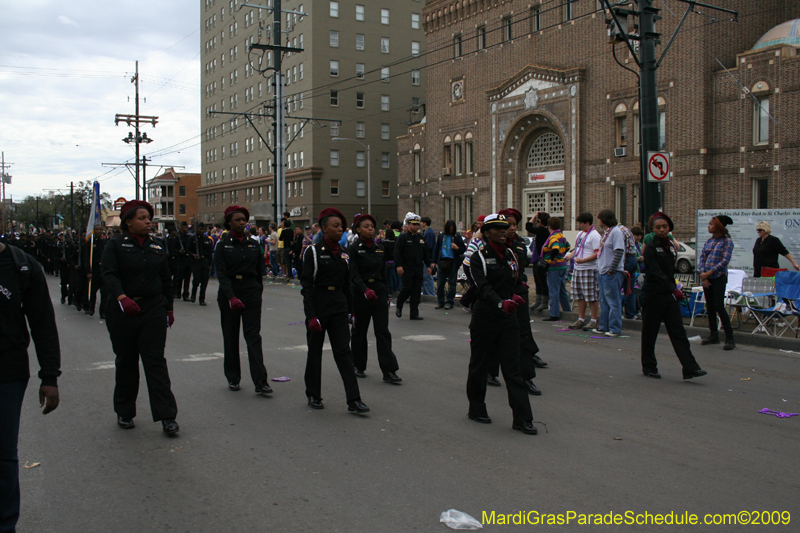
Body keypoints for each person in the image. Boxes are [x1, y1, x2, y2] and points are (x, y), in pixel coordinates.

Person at [101, 200, 179, 435]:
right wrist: (121, 297)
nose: (148, 222)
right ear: (128, 222)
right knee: (126, 361)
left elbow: (166, 279)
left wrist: (168, 308)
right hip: (123, 310)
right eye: (142, 218)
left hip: (153, 309)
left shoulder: (157, 246)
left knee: (155, 362)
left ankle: (167, 416)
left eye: (149, 218)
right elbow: (109, 274)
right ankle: (125, 411)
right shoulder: (115, 245)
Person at [0, 240, 61, 533]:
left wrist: (49, 377)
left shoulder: (21, 266)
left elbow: (43, 323)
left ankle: (5, 524)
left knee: (3, 456)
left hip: (7, 374)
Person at [466, 214, 537, 435]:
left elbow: (515, 281)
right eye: (497, 229)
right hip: (485, 317)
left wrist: (515, 297)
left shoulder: (511, 255)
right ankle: (476, 408)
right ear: (487, 233)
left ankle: (522, 418)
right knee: (479, 365)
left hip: (508, 318)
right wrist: (500, 302)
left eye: (504, 228)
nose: (503, 232)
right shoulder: (478, 257)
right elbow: (481, 286)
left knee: (513, 369)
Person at [300, 208, 369, 413]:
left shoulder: (344, 254)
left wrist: (351, 311)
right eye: (335, 226)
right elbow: (307, 286)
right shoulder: (313, 251)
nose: (341, 229)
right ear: (324, 228)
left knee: (343, 352)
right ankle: (313, 394)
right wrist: (311, 316)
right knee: (315, 352)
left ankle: (354, 399)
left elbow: (347, 285)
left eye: (342, 226)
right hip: (319, 305)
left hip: (338, 305)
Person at [640, 212, 707, 380]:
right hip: (653, 293)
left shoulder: (671, 245)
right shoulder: (650, 247)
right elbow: (655, 272)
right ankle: (649, 366)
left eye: (664, 227)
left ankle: (690, 367)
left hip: (669, 294)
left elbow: (670, 272)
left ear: (669, 228)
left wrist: (675, 289)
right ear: (653, 229)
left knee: (678, 331)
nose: (662, 230)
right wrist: (673, 289)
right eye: (658, 227)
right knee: (650, 332)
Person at [487, 208, 547, 392]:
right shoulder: (493, 246)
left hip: (518, 294)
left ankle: (526, 377)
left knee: (523, 335)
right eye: (508, 225)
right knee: (495, 336)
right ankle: (491, 371)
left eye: (514, 225)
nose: (512, 228)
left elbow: (521, 269)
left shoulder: (520, 244)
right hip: (499, 296)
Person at [214, 205, 272, 394]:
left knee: (253, 337)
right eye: (237, 220)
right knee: (231, 337)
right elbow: (221, 275)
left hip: (251, 292)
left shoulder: (253, 244)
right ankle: (233, 377)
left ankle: (260, 381)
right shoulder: (222, 245)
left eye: (244, 220)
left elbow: (258, 273)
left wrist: (257, 294)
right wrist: (230, 296)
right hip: (230, 294)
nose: (242, 222)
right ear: (229, 222)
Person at [348, 213, 401, 383]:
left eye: (372, 226)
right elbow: (354, 275)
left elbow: (383, 273)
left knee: (383, 331)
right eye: (366, 226)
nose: (370, 229)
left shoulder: (380, 248)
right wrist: (364, 290)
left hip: (378, 290)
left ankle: (389, 370)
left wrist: (385, 294)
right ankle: (358, 365)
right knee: (359, 331)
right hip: (361, 292)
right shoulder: (354, 248)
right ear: (358, 229)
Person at [698, 215, 735, 350]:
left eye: (711, 224)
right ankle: (713, 335)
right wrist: (704, 276)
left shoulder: (727, 242)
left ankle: (729, 337)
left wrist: (709, 273)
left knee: (719, 305)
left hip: (718, 277)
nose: (709, 226)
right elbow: (702, 258)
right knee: (710, 306)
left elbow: (724, 261)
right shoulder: (709, 241)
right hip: (707, 278)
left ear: (718, 226)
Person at [565, 212, 600, 331]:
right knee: (579, 295)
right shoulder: (580, 234)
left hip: (589, 268)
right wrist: (571, 255)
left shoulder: (595, 236)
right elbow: (578, 249)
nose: (579, 225)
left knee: (591, 296)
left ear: (588, 223)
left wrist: (584, 260)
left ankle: (594, 320)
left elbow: (597, 253)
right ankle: (581, 319)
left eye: (581, 223)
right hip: (578, 268)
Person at [394, 213, 433, 320]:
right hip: (407, 268)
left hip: (418, 268)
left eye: (417, 225)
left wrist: (429, 265)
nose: (416, 227)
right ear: (409, 225)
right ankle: (399, 305)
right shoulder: (403, 237)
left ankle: (414, 313)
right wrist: (399, 266)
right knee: (407, 289)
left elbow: (426, 254)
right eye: (413, 224)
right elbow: (397, 253)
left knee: (416, 291)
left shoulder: (421, 238)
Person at [595, 209, 626, 337]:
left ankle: (615, 328)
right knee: (603, 300)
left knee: (613, 301)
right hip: (602, 271)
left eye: (599, 218)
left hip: (611, 272)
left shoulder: (616, 232)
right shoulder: (606, 233)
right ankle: (604, 326)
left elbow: (618, 251)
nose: (598, 221)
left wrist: (612, 269)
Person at [541, 217, 571, 322]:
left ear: (549, 226)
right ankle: (567, 311)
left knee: (553, 290)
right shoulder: (561, 236)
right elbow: (568, 246)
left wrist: (552, 258)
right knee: (562, 290)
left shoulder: (553, 237)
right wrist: (562, 255)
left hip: (554, 267)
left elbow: (555, 247)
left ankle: (554, 313)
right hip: (562, 265)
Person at [432, 220, 466, 310]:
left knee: (452, 283)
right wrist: (434, 261)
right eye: (449, 229)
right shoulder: (441, 236)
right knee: (440, 283)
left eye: (452, 229)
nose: (451, 231)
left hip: (452, 262)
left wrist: (457, 248)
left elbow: (463, 249)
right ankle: (440, 301)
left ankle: (450, 301)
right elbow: (437, 248)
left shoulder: (457, 237)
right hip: (442, 261)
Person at [526, 212, 551, 312]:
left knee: (542, 280)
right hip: (537, 258)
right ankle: (539, 300)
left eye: (538, 221)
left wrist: (533, 217)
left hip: (541, 259)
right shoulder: (542, 231)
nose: (536, 223)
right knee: (537, 280)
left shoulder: (543, 230)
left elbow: (529, 227)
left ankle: (544, 302)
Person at [82, 224, 106, 317]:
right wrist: (88, 271)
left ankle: (103, 312)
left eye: (100, 229)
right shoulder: (90, 243)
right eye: (97, 229)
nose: (99, 231)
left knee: (104, 292)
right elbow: (86, 258)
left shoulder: (105, 242)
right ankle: (91, 308)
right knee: (92, 291)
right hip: (94, 269)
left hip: (103, 269)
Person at [188, 222, 214, 305]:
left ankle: (202, 299)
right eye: (200, 229)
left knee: (204, 281)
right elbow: (188, 250)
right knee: (196, 279)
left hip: (204, 261)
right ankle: (193, 294)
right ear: (197, 229)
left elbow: (209, 252)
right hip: (196, 262)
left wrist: (210, 264)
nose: (201, 230)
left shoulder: (207, 239)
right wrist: (193, 255)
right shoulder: (193, 238)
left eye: (203, 229)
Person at [174, 221, 192, 301]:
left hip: (188, 260)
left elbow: (191, 248)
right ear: (181, 228)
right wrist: (179, 251)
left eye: (187, 228)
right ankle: (177, 293)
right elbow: (173, 248)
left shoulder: (189, 237)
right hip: (180, 259)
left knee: (187, 278)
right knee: (180, 277)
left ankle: (186, 294)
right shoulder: (178, 238)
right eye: (184, 227)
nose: (186, 229)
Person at [420, 217, 436, 295]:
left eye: (421, 222)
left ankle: (430, 294)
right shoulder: (427, 232)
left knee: (427, 277)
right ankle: (427, 293)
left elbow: (428, 246)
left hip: (428, 258)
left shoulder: (429, 233)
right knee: (425, 277)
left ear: (424, 223)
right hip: (428, 257)